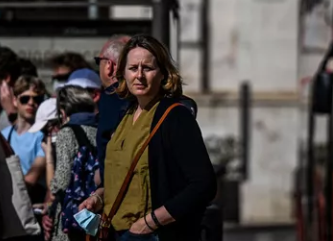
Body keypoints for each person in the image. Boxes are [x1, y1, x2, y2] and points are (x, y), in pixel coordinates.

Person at [79, 35, 217, 241]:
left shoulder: (175, 117)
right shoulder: (126, 116)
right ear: (122, 73)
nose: (139, 76)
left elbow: (203, 185)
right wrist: (98, 197)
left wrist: (150, 222)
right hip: (114, 232)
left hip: (150, 235)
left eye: (148, 68)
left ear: (163, 74)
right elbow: (126, 176)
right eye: (133, 68)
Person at [46, 86, 98, 241]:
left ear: (63, 111)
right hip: (96, 211)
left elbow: (62, 180)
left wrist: (49, 155)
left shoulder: (67, 132)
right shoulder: (101, 129)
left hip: (73, 217)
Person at [2, 75, 48, 203]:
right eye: (25, 99)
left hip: (31, 201)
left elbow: (32, 177)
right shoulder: (4, 135)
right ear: (15, 101)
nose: (31, 103)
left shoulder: (43, 137)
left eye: (36, 99)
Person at [94, 35, 131, 186]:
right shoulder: (140, 97)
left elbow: (106, 145)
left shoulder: (111, 97)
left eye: (99, 61)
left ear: (109, 65)